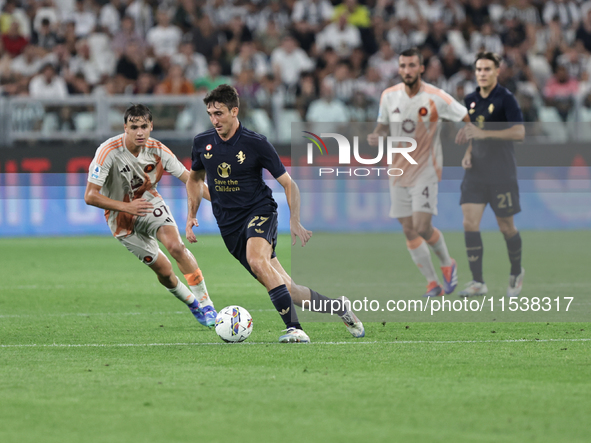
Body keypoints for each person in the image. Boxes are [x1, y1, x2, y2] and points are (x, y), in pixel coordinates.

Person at [186, 84, 364, 343]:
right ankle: (339, 307)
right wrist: (192, 214)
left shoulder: (255, 143)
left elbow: (289, 183)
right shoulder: (202, 143)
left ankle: (295, 329)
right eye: (211, 114)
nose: (214, 120)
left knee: (258, 261)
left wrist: (294, 220)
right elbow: (194, 180)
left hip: (260, 212)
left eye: (220, 113)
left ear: (235, 111)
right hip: (229, 225)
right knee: (289, 290)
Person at [85, 104, 217, 327]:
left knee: (176, 246)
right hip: (120, 218)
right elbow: (90, 196)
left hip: (148, 202)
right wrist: (126, 207)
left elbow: (190, 180)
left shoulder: (158, 150)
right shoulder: (107, 151)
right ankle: (192, 303)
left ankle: (207, 304)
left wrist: (224, 202)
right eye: (134, 127)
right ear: (125, 127)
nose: (139, 132)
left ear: (151, 127)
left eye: (144, 126)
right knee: (164, 272)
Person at [367, 47, 470, 298]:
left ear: (421, 68)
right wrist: (376, 135)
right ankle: (432, 283)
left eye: (412, 65)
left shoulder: (436, 97)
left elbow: (466, 116)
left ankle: (447, 263)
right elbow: (382, 126)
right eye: (403, 66)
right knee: (408, 229)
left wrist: (470, 141)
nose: (407, 70)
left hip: (425, 169)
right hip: (397, 170)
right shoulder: (389, 96)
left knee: (422, 225)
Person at [455, 52, 525, 298]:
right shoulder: (471, 99)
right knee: (469, 222)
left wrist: (487, 135)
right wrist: (469, 151)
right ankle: (478, 282)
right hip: (476, 172)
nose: (482, 73)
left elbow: (519, 132)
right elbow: (474, 131)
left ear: (497, 71)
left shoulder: (506, 99)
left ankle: (516, 272)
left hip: (501, 173)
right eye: (479, 69)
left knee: (506, 227)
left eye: (487, 69)